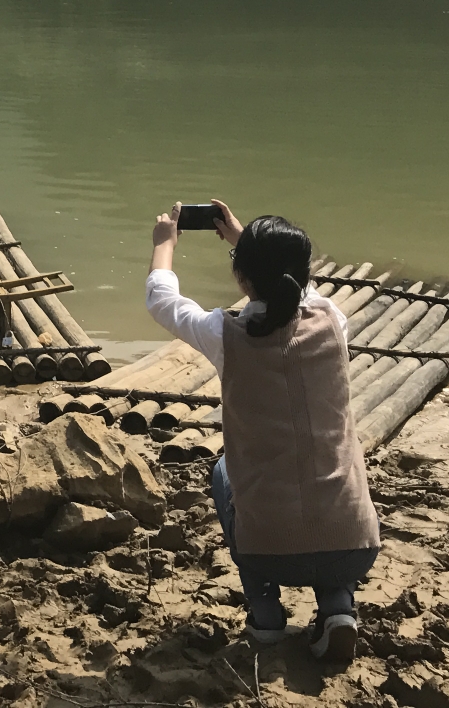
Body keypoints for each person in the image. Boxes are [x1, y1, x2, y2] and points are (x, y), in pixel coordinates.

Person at [146, 201, 381, 663]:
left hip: (267, 551)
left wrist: (164, 246)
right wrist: (243, 242)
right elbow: (298, 289)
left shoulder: (225, 334)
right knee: (326, 478)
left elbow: (162, 300)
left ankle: (266, 614)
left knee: (224, 471)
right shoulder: (334, 320)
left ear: (242, 279)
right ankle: (337, 608)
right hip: (355, 545)